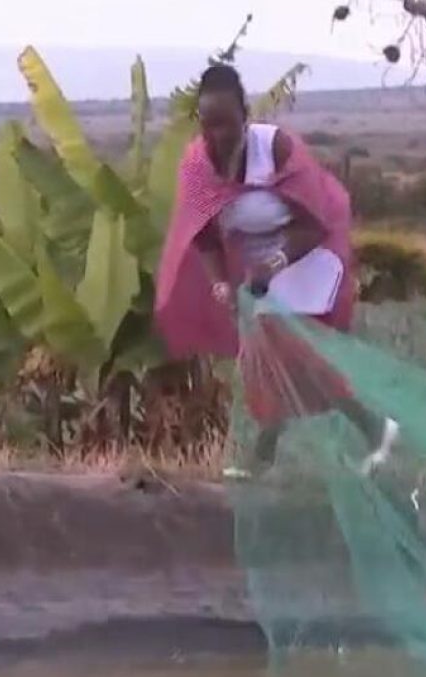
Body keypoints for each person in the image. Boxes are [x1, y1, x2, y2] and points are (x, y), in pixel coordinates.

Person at [154, 63, 398, 478]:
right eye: (209, 125)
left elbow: (315, 222)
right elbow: (205, 235)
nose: (218, 136)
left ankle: (269, 455)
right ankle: (372, 428)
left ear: (245, 114)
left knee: (277, 346)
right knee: (276, 359)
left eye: (227, 124)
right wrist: (218, 283)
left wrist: (277, 262)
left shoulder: (278, 149)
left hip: (308, 249)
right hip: (257, 264)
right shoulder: (197, 165)